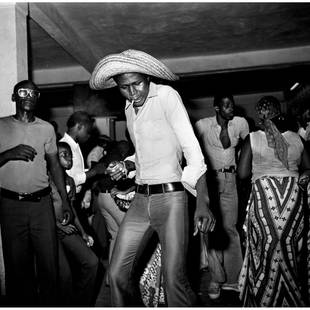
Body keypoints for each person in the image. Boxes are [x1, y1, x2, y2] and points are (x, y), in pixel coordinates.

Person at [89, 49, 215, 306]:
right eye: (125, 87)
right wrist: (126, 165)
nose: (133, 92)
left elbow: (192, 150)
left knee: (173, 279)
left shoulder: (167, 96)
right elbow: (145, 153)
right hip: (139, 200)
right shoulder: (129, 109)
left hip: (171, 199)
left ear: (147, 77)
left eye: (137, 84)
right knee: (116, 275)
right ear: (117, 86)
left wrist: (203, 202)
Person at [0, 80, 73, 305]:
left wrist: (65, 201)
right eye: (23, 91)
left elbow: (55, 166)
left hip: (42, 204)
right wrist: (8, 154)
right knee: (17, 268)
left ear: (38, 98)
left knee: (49, 266)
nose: (29, 95)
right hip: (11, 205)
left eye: (34, 92)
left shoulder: (46, 128)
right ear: (14, 97)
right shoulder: (1, 126)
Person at [237, 95, 310, 306]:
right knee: (290, 250)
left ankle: (264, 298)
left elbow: (242, 174)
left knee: (265, 250)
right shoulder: (297, 139)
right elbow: (308, 167)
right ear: (279, 112)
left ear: (260, 114)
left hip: (265, 201)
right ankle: (292, 299)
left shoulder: (252, 138)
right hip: (293, 202)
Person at [195, 93, 249, 299]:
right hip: (210, 180)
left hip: (231, 180)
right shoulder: (203, 125)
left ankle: (235, 280)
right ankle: (217, 279)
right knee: (210, 230)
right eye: (226, 106)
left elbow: (251, 144)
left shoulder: (241, 123)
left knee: (231, 229)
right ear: (217, 108)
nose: (231, 109)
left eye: (232, 105)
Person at [50, 141, 99, 306]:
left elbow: (71, 209)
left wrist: (83, 233)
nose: (68, 158)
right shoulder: (45, 177)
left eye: (69, 154)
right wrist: (58, 225)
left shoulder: (69, 180)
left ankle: (82, 303)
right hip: (49, 230)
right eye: (63, 154)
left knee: (92, 262)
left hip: (68, 229)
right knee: (65, 276)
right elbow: (41, 208)